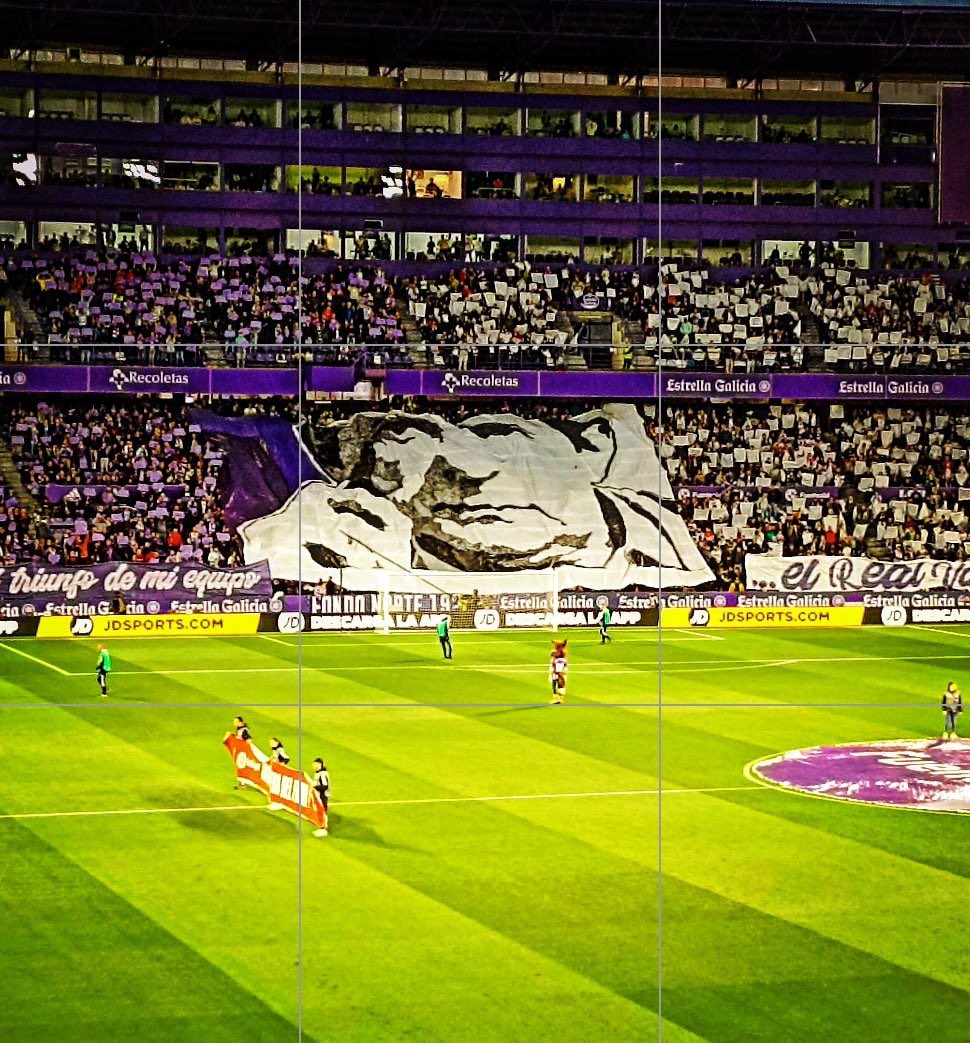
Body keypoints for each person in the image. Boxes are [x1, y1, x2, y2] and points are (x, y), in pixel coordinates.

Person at [312, 757, 330, 836]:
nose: (314, 766)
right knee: (320, 810)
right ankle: (321, 827)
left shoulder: (322, 774)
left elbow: (325, 786)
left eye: (315, 764)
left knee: (322, 810)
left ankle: (323, 829)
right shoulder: (318, 773)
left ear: (320, 765)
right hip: (320, 795)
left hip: (323, 795)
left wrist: (315, 788)